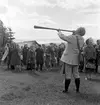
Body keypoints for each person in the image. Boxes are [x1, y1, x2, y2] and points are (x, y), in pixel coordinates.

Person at [57, 27, 85, 93]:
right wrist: (74, 34)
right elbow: (76, 39)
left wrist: (59, 31)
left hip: (68, 59)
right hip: (76, 59)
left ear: (78, 31)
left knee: (68, 75)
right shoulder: (82, 39)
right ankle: (77, 89)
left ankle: (66, 89)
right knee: (76, 74)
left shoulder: (72, 37)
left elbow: (62, 37)